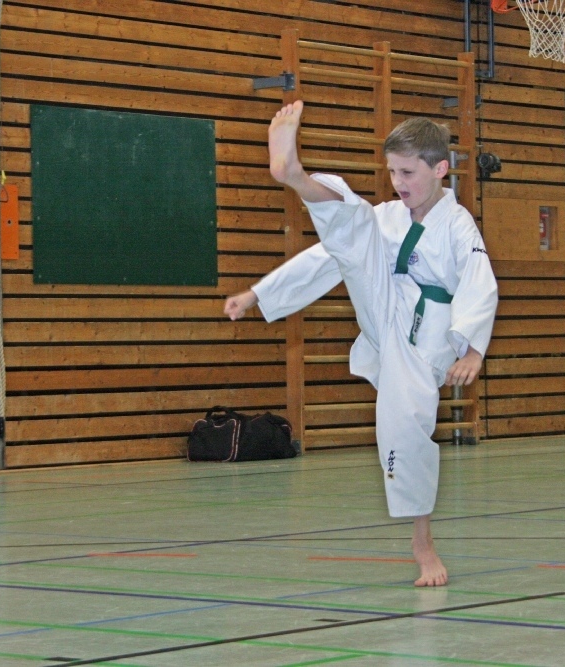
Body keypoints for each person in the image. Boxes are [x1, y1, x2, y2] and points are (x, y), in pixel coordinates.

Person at [224, 101, 498, 586]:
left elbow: (480, 282)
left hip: (425, 337)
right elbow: (328, 257)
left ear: (440, 170)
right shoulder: (388, 216)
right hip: (383, 308)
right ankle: (296, 176)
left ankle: (422, 541)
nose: (398, 182)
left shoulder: (458, 225)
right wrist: (258, 294)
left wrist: (473, 349)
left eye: (408, 172)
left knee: (403, 429)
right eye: (392, 171)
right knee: (354, 227)